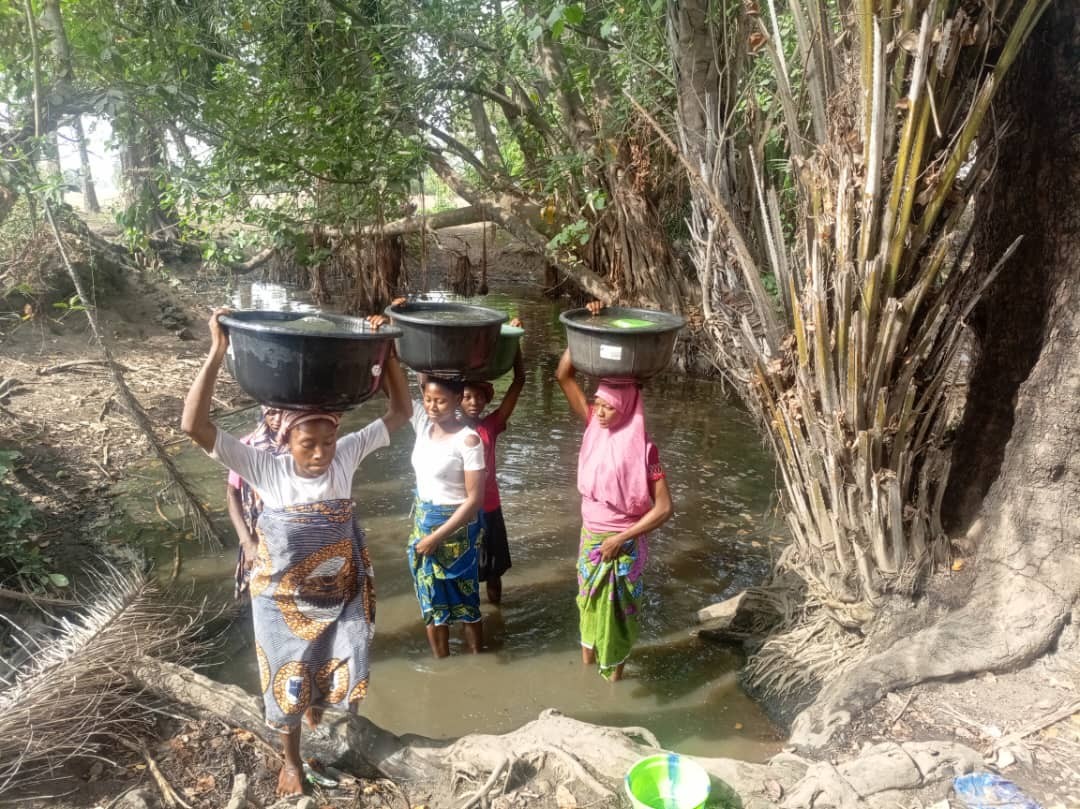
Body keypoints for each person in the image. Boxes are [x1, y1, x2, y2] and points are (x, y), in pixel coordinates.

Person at [181, 307, 411, 796]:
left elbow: (400, 413)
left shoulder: (346, 456)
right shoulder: (267, 470)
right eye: (309, 442)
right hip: (281, 601)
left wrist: (385, 352)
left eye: (328, 439)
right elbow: (193, 426)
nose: (322, 451)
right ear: (286, 441)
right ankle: (292, 762)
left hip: (339, 590)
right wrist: (217, 352)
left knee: (353, 657)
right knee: (284, 684)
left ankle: (319, 710)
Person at [555, 301, 674, 681]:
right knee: (587, 603)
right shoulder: (593, 427)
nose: (601, 411)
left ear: (625, 407)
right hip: (591, 538)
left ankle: (614, 682)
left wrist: (621, 538)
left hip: (623, 544)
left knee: (618, 613)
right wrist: (588, 329)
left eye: (609, 406)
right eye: (598, 403)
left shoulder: (645, 450)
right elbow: (563, 375)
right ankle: (589, 680)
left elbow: (664, 509)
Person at [407, 374, 487, 657]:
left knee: (467, 601)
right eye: (428, 400)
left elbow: (475, 500)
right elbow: (394, 391)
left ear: (457, 400)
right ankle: (442, 663)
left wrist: (437, 537)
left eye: (440, 401)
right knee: (431, 602)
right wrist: (389, 346)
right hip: (424, 525)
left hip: (456, 532)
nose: (432, 406)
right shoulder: (421, 426)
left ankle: (478, 659)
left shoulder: (468, 440)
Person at [460, 318, 525, 605]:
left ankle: (496, 616)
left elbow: (519, 381)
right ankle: (473, 621)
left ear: (486, 401)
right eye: (467, 396)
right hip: (461, 510)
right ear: (456, 400)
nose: (473, 401)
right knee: (465, 572)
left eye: (478, 397)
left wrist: (514, 341)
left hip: (489, 507)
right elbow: (428, 383)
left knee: (495, 571)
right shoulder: (449, 428)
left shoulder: (491, 425)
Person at [225, 406, 284, 598]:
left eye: (284, 412)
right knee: (261, 591)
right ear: (263, 414)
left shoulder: (302, 446)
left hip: (290, 534)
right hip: (257, 535)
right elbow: (232, 494)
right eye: (271, 412)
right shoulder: (247, 447)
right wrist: (247, 541)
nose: (277, 418)